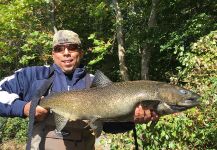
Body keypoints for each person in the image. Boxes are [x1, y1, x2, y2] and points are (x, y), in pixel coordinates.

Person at [0, 30, 159, 149]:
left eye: (72, 47)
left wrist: (132, 119)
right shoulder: (32, 76)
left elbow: (109, 125)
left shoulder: (95, 84)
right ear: (53, 54)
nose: (66, 53)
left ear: (80, 52)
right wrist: (24, 108)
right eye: (59, 49)